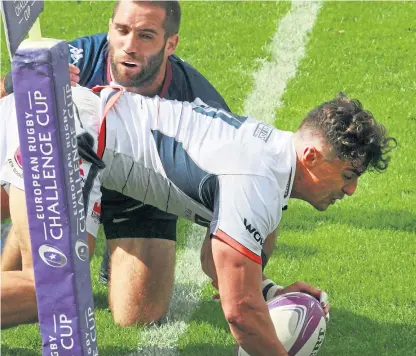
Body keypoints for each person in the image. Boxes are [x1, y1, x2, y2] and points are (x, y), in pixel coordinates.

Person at [0, 84, 396, 355]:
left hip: (67, 117)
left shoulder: (272, 160)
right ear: (311, 157)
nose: (350, 191)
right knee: (55, 289)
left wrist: (270, 292)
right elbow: (239, 312)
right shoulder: (257, 180)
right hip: (64, 133)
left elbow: (217, 267)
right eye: (348, 175)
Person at [0, 0, 231, 325]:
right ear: (110, 27)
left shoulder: (199, 103)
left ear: (171, 43)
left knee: (138, 315)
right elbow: (6, 95)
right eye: (121, 31)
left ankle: (109, 251)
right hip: (67, 176)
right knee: (49, 279)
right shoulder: (79, 57)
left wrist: (247, 277)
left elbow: (242, 185)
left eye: (146, 36)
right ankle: (22, 236)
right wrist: (19, 79)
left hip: (139, 200)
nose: (129, 46)